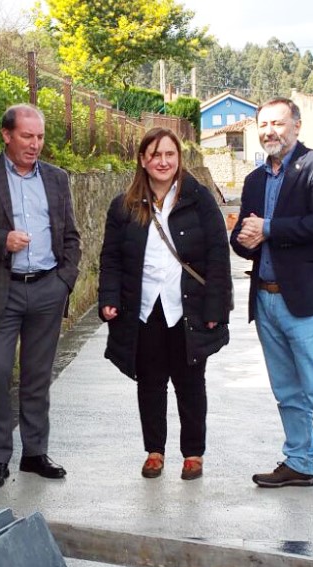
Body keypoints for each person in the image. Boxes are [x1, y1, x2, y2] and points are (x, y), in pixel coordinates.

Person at [230, 98, 313, 515]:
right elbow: (241, 239)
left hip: (306, 302)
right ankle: (299, 463)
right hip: (266, 299)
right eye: (264, 125)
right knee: (287, 392)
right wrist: (242, 239)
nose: (270, 131)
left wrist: (268, 229)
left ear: (297, 125)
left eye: (278, 123)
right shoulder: (254, 180)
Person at [0, 104, 81, 489]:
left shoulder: (57, 179)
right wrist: (0, 241)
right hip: (0, 292)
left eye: (39, 137)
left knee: (37, 377)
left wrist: (64, 281)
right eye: (27, 136)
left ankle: (35, 454)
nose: (35, 144)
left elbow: (70, 235)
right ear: (6, 135)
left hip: (46, 289)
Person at [98, 128, 232, 480]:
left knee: (190, 383)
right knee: (150, 383)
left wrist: (217, 309)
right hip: (143, 308)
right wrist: (109, 298)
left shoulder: (198, 199)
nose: (163, 161)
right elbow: (110, 258)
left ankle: (193, 454)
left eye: (169, 154)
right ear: (143, 160)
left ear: (178, 159)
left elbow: (218, 255)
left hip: (187, 307)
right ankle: (154, 451)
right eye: (155, 155)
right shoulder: (124, 205)